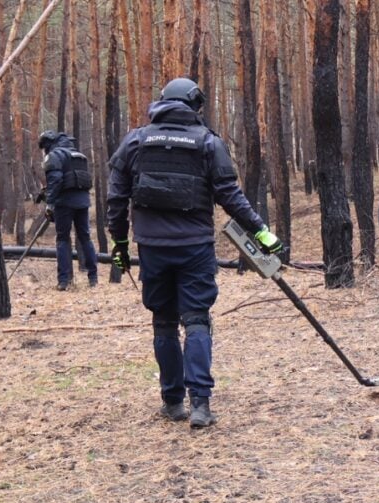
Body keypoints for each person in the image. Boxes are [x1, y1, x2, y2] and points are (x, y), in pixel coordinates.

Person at [106, 77, 281, 429]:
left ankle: (173, 402)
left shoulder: (135, 141)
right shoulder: (207, 143)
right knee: (197, 319)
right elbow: (230, 195)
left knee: (164, 322)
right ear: (193, 104)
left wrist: (120, 245)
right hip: (195, 249)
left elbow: (115, 198)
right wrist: (261, 231)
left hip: (153, 249)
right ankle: (200, 403)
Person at [38, 130, 98, 290]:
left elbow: (55, 180)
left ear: (48, 144)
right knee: (85, 237)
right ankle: (93, 278)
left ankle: (64, 281)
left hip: (65, 203)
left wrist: (50, 203)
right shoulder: (78, 155)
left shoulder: (54, 156)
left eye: (44, 146)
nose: (44, 150)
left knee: (63, 239)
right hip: (83, 201)